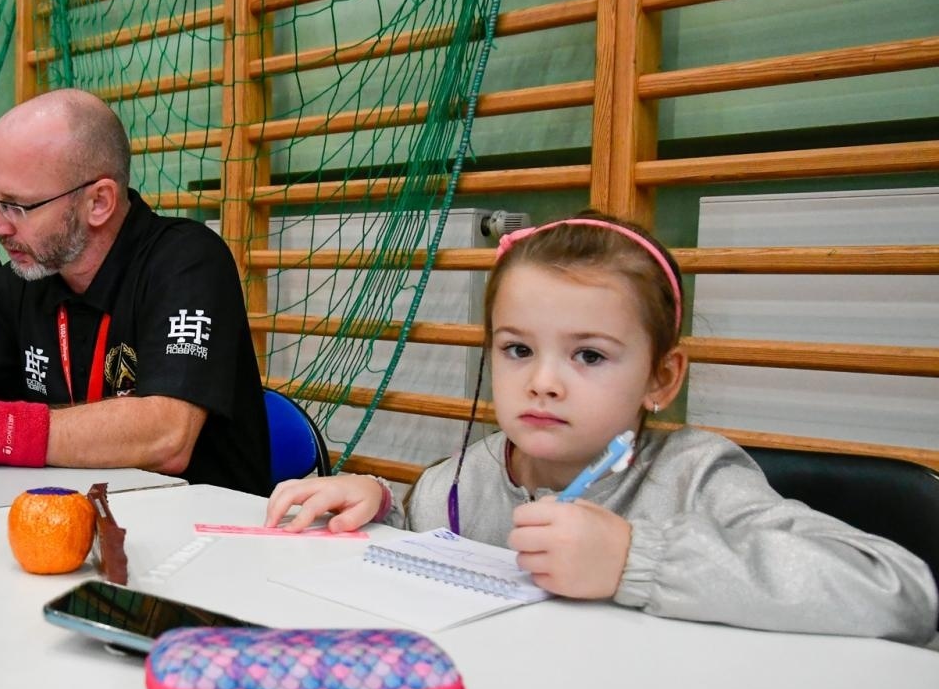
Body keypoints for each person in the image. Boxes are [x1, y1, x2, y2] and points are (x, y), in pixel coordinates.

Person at [265, 212, 937, 644]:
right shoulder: (457, 481)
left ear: (660, 378)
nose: (543, 381)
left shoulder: (697, 477)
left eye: (588, 355)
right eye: (517, 349)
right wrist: (377, 505)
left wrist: (634, 561)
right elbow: (430, 567)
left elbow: (898, 593)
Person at [0, 88, 272, 495]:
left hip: (200, 538)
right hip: (77, 521)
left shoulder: (187, 260)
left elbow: (167, 435)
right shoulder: (24, 277)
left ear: (98, 202)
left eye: (18, 206)